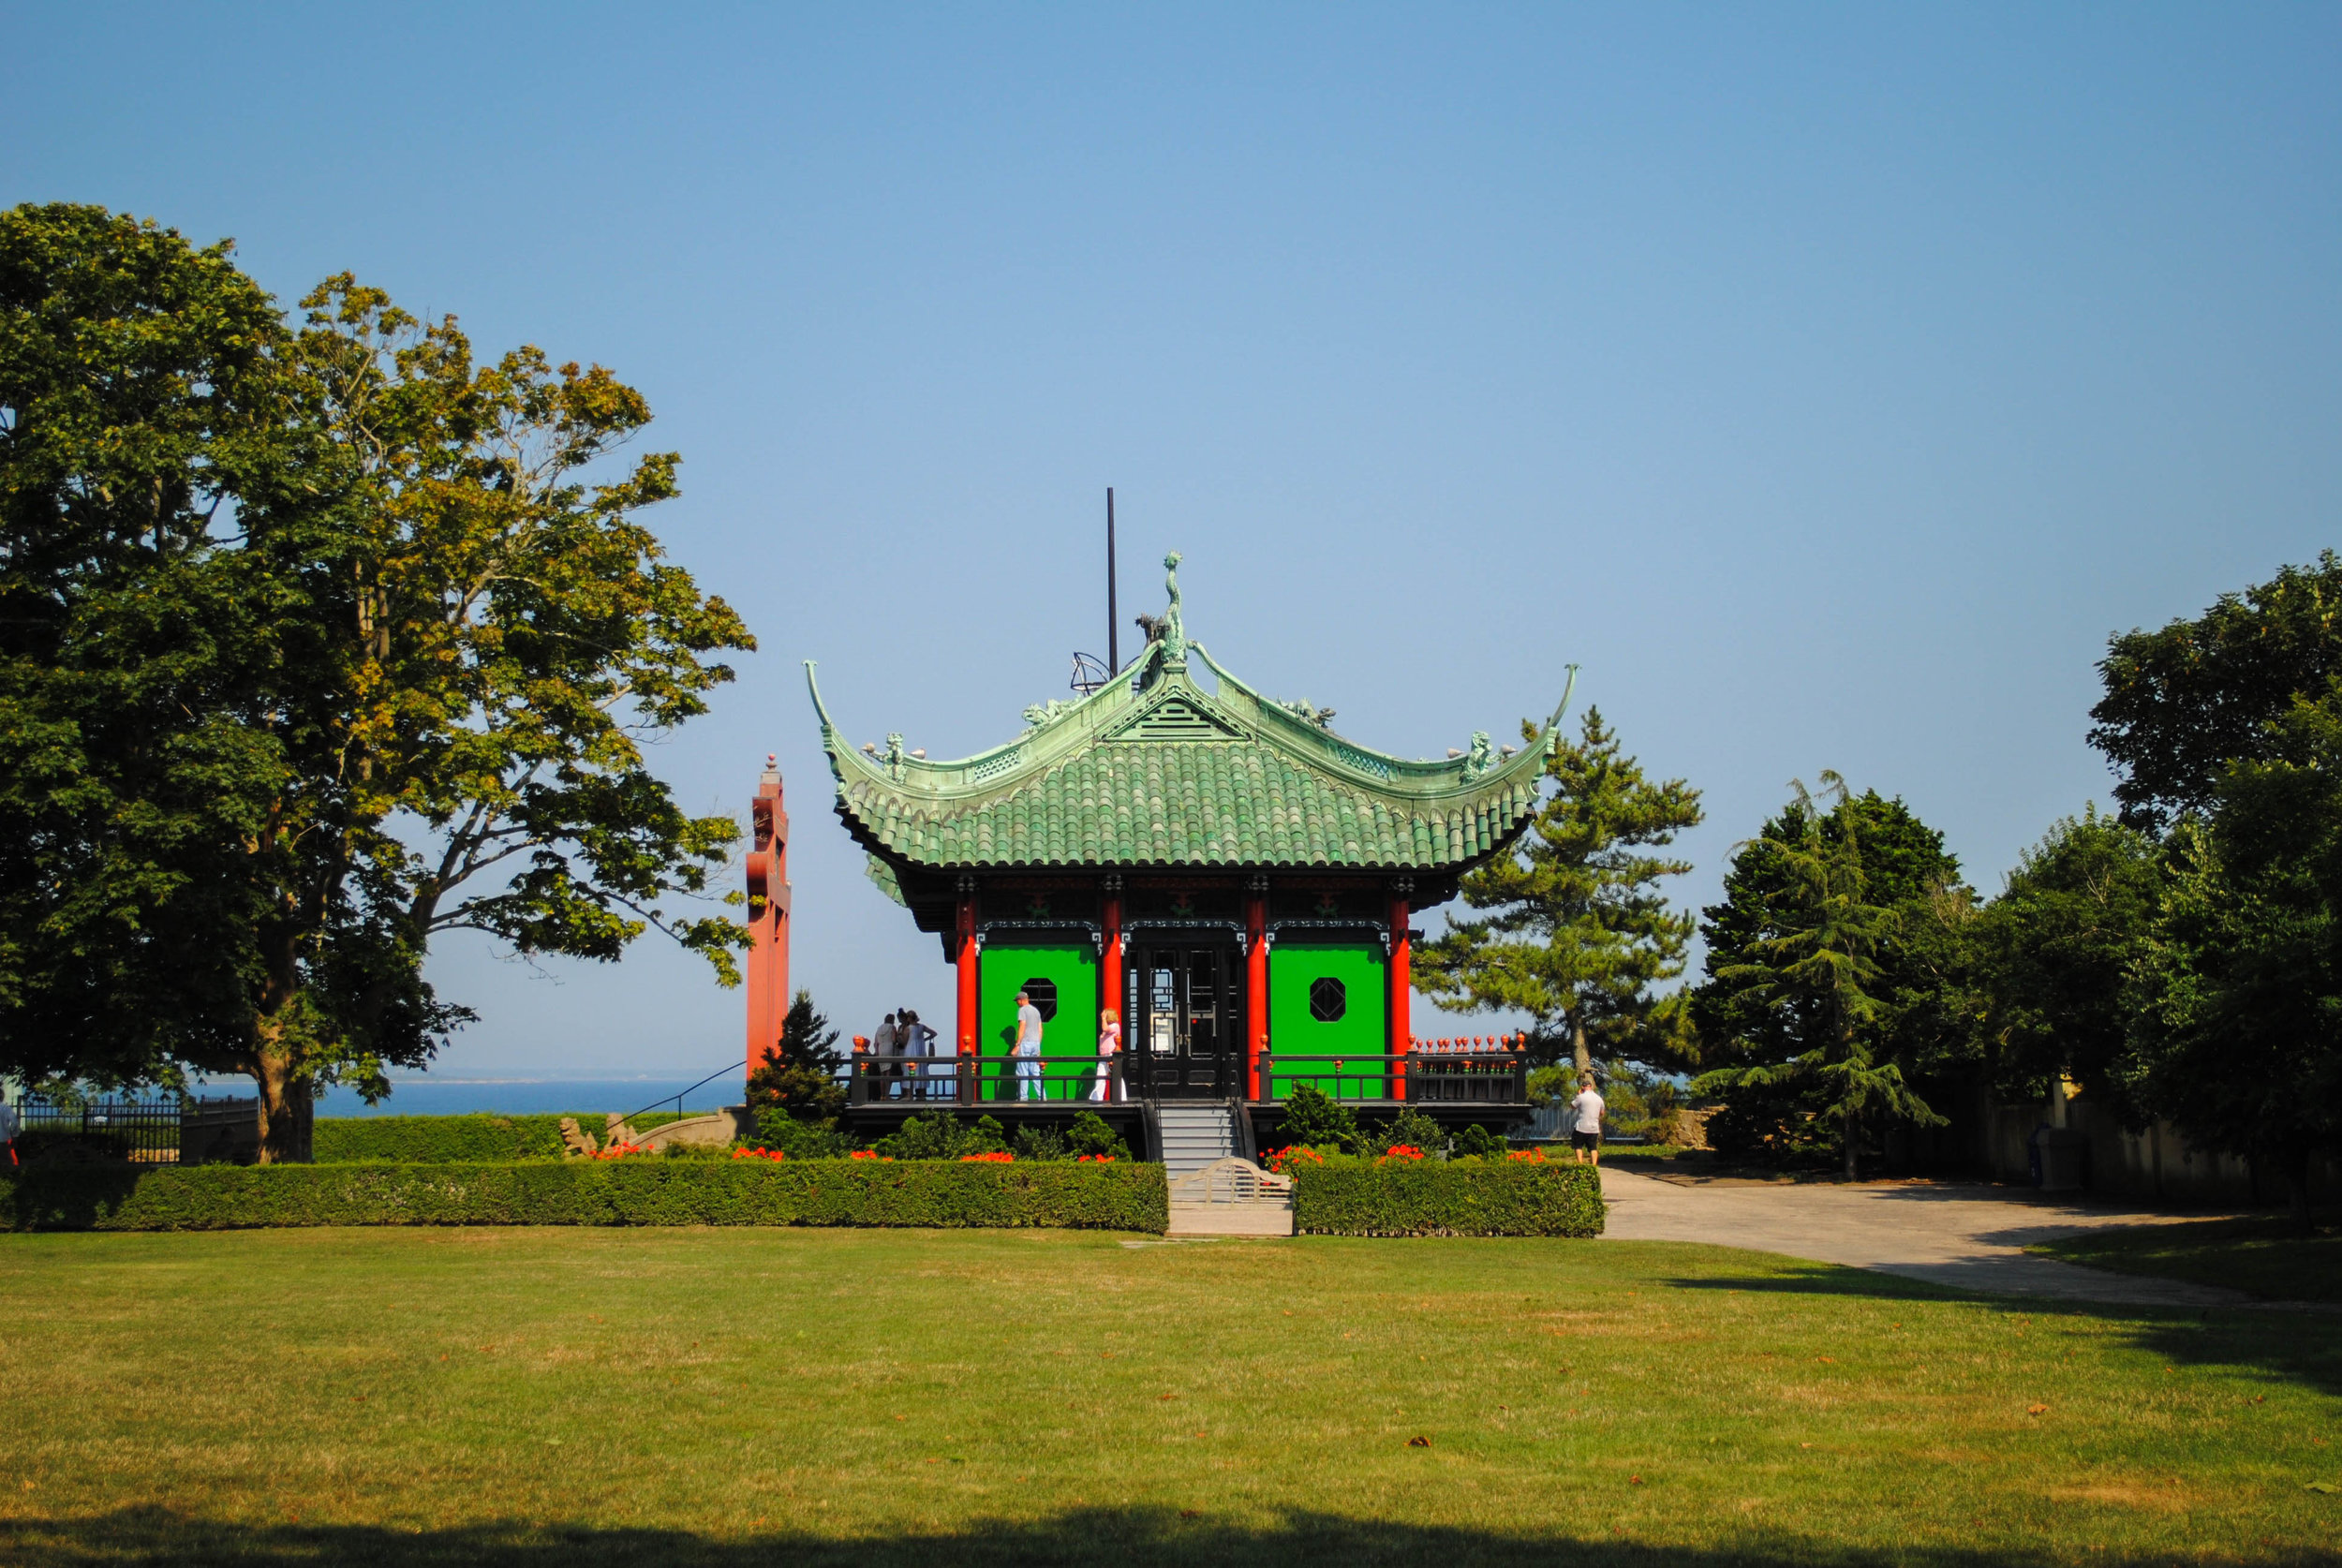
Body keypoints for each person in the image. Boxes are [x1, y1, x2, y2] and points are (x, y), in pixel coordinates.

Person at [1014, 990, 1045, 1102]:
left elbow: (1022, 1026)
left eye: (1017, 1001)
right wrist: (1038, 1045)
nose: (1017, 1003)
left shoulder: (1022, 1010)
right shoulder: (1036, 1011)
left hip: (1025, 1043)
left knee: (1023, 1071)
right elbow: (1040, 1029)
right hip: (1035, 1043)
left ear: (1021, 1000)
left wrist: (1018, 1044)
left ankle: (1023, 1098)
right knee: (1035, 1071)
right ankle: (1042, 1096)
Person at [1567, 1075, 1606, 1166]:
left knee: (1578, 1145)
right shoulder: (1599, 1098)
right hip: (1594, 1127)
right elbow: (1602, 1112)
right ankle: (1594, 1165)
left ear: (1583, 1087)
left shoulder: (1581, 1097)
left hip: (1581, 1126)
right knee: (1593, 1147)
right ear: (1591, 1087)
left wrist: (1578, 1095)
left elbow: (1572, 1106)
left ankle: (1580, 1164)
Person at [1089, 1007, 1122, 1102]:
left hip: (1111, 1056)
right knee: (1100, 1076)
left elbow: (1105, 1028)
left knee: (1117, 1077)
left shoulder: (1115, 1026)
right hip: (1104, 1056)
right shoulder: (1108, 1028)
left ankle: (1121, 1096)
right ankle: (1097, 1097)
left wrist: (1103, 1018)